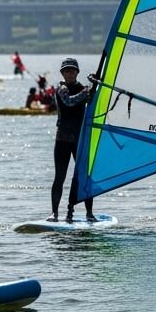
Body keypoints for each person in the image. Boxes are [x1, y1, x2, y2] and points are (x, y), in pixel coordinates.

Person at [50, 57, 96, 223]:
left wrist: (96, 87)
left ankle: (88, 213)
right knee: (60, 177)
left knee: (84, 176)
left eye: (72, 70)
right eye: (66, 71)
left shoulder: (84, 88)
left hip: (80, 140)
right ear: (62, 73)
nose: (69, 73)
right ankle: (54, 213)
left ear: (77, 72)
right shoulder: (61, 88)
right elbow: (70, 102)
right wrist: (88, 91)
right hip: (62, 140)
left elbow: (92, 102)